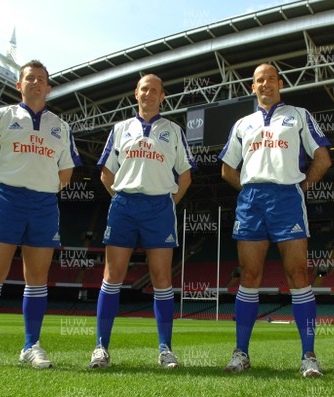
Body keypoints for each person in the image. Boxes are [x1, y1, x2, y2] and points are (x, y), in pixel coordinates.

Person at [0, 60, 82, 368]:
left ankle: (31, 345)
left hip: (43, 205)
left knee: (37, 278)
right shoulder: (1, 116)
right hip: (7, 200)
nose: (36, 83)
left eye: (41, 79)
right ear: (19, 84)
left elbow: (67, 169)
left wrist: (48, 186)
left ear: (49, 88)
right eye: (30, 78)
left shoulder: (60, 126)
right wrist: (0, 189)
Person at [218, 63, 332, 376]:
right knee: (249, 275)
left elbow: (323, 157)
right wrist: (251, 186)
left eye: (270, 78)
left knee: (298, 274)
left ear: (279, 83)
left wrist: (302, 185)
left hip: (287, 199)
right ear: (252, 87)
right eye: (259, 80)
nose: (265, 84)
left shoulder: (298, 115)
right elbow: (227, 168)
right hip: (252, 201)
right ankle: (241, 353)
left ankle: (308, 356)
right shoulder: (243, 123)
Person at [90, 74, 194, 369]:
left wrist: (168, 202)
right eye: (144, 89)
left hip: (159, 206)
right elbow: (106, 172)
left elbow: (185, 175)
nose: (148, 93)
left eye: (154, 90)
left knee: (162, 277)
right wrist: (120, 198)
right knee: (113, 275)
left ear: (163, 96)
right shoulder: (120, 128)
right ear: (136, 93)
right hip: (124, 204)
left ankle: (165, 350)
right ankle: (100, 348)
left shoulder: (173, 130)